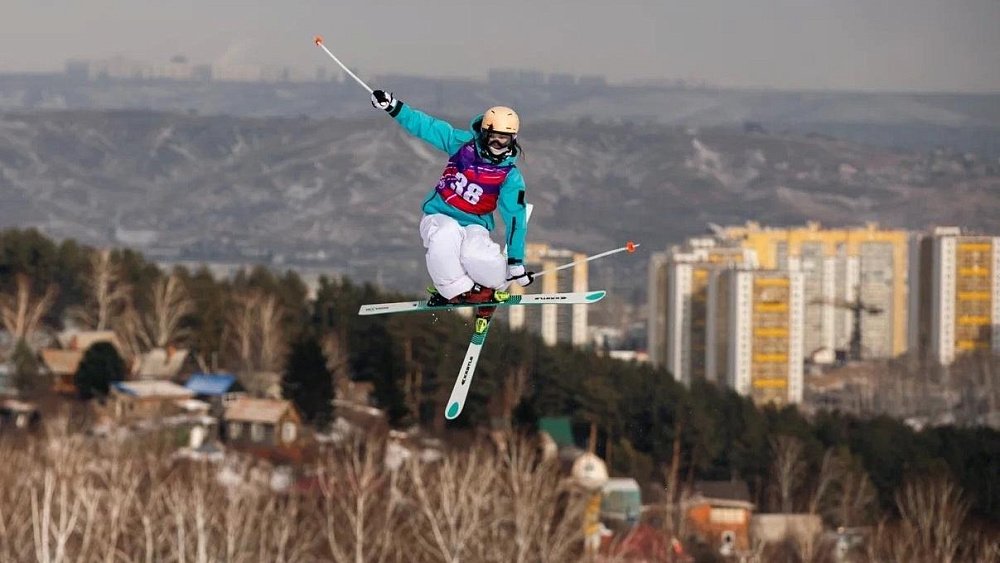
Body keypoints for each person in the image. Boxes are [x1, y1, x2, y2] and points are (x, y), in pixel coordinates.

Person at [370, 89, 534, 311]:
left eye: (503, 139)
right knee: (446, 235)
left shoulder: (509, 176)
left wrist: (516, 262)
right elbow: (426, 126)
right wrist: (393, 106)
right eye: (492, 137)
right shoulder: (463, 145)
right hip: (440, 214)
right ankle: (455, 290)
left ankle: (489, 287)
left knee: (475, 254)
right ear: (484, 133)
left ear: (512, 139)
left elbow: (515, 216)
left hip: (475, 224)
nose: (496, 144)